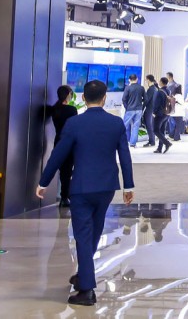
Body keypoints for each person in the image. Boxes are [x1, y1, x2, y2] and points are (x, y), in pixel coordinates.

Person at [37, 79, 135, 307]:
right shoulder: (116, 123)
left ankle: (87, 290)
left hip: (81, 187)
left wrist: (44, 181)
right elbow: (125, 156)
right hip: (107, 187)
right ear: (104, 98)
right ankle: (83, 275)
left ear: (83, 98)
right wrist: (128, 186)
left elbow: (59, 154)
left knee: (83, 235)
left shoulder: (74, 123)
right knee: (94, 232)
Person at [45, 85, 78, 207]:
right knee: (68, 170)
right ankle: (66, 195)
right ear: (68, 94)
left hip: (58, 141)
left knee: (63, 170)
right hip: (70, 142)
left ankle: (65, 196)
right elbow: (75, 127)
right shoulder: (71, 110)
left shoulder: (54, 109)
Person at [121, 74, 145, 148]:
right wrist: (141, 104)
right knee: (136, 126)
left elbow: (124, 99)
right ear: (137, 79)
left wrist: (127, 107)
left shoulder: (128, 88)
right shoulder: (141, 88)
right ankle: (133, 143)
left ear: (129, 80)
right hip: (139, 109)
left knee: (124, 126)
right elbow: (146, 99)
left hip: (130, 109)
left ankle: (120, 142)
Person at [152, 77, 172, 153]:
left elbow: (156, 103)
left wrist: (154, 112)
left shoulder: (160, 92)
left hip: (159, 114)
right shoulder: (168, 91)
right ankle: (159, 148)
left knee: (155, 130)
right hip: (166, 113)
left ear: (161, 82)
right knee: (162, 131)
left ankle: (167, 143)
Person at [141, 75, 158, 148]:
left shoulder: (151, 89)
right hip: (152, 109)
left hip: (149, 110)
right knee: (149, 125)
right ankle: (151, 141)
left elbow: (146, 100)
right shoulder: (155, 88)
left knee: (149, 126)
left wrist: (142, 108)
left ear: (148, 80)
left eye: (146, 80)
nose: (145, 81)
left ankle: (152, 141)